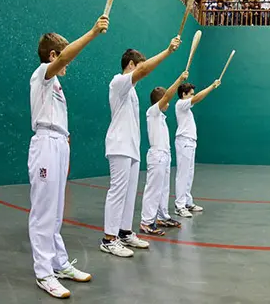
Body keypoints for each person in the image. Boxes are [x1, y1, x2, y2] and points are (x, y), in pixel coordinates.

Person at [28, 15, 107, 298]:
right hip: (45, 145)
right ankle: (43, 273)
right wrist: (92, 32)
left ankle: (58, 264)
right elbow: (62, 61)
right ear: (52, 56)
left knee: (57, 210)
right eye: (63, 56)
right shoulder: (42, 73)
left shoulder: (57, 86)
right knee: (44, 211)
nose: (67, 63)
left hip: (59, 143)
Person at [102, 37, 181, 258]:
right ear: (131, 65)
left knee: (128, 194)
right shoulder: (118, 82)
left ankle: (125, 233)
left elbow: (143, 71)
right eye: (140, 65)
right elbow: (144, 70)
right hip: (119, 145)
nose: (142, 69)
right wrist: (167, 51)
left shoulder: (132, 91)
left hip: (132, 148)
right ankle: (109, 239)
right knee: (117, 191)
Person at [139, 71, 188, 237]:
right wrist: (179, 79)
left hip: (165, 156)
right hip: (156, 156)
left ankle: (161, 216)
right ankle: (146, 222)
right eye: (165, 98)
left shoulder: (160, 116)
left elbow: (167, 97)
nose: (169, 102)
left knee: (163, 189)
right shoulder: (152, 112)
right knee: (153, 190)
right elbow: (167, 96)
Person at [173, 79, 221, 218]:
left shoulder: (187, 109)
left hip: (190, 143)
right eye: (191, 94)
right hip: (184, 142)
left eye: (193, 94)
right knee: (183, 174)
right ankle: (179, 206)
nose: (193, 96)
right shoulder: (181, 104)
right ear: (183, 94)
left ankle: (187, 202)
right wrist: (211, 86)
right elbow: (198, 98)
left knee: (189, 174)